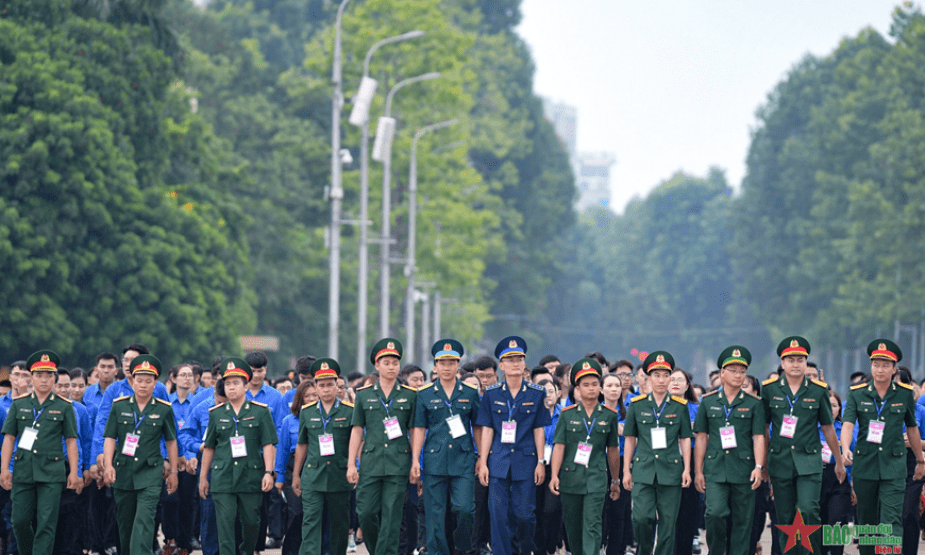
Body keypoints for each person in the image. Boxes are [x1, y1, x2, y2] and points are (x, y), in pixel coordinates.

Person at [763, 336, 845, 555]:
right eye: (790, 360)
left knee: (808, 511)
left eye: (800, 359)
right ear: (782, 363)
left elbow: (828, 427)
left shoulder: (818, 391)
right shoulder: (769, 390)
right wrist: (763, 463)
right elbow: (763, 428)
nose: (795, 364)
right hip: (780, 461)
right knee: (786, 518)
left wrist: (838, 460)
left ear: (806, 362)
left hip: (809, 462)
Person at [841, 339, 924, 555]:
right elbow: (848, 423)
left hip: (894, 466)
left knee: (892, 519)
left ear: (894, 369)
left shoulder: (904, 394)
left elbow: (912, 428)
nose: (880, 369)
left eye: (886, 365)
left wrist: (920, 460)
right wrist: (844, 448)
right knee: (867, 523)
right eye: (876, 364)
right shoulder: (857, 393)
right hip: (865, 466)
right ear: (871, 366)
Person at [0, 350, 81, 555]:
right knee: (19, 521)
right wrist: (4, 469)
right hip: (23, 471)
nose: (44, 380)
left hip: (51, 473)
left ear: (54, 378)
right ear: (31, 378)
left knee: (47, 523)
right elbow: (9, 438)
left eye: (48, 375)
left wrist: (74, 472)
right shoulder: (19, 404)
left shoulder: (64, 407)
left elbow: (71, 441)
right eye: (39, 375)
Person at [475, 336, 550, 555]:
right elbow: (487, 428)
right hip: (498, 458)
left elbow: (539, 429)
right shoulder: (492, 393)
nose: (516, 363)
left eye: (519, 359)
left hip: (526, 460)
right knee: (498, 514)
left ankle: (525, 550)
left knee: (525, 515)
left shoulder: (537, 393)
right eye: (510, 359)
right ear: (502, 365)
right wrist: (483, 460)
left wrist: (540, 461)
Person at [199, 357, 278, 555]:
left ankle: (247, 551)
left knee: (252, 522)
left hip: (250, 476)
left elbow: (268, 443)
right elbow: (209, 447)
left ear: (245, 386)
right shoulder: (216, 414)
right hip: (222, 477)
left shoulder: (260, 412)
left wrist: (269, 472)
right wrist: (203, 477)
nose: (231, 388)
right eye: (227, 384)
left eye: (236, 383)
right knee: (224, 525)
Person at [102, 354, 179, 555]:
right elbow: (110, 437)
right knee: (125, 526)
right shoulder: (119, 406)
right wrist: (108, 465)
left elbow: (171, 441)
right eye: (139, 380)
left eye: (148, 381)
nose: (143, 385)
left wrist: (174, 472)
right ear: (132, 381)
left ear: (156, 383)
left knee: (144, 521)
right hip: (123, 472)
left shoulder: (163, 409)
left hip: (151, 473)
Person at [411, 339, 482, 555]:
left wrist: (481, 456)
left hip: (464, 460)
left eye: (452, 362)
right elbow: (419, 429)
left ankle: (462, 550)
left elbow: (478, 426)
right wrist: (416, 460)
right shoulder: (424, 394)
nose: (447, 367)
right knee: (435, 515)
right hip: (434, 461)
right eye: (442, 363)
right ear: (435, 366)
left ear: (458, 365)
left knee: (464, 510)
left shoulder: (470, 393)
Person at [693, 346, 765, 555]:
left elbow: (759, 437)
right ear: (721, 373)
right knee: (715, 514)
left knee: (743, 520)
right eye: (733, 370)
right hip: (715, 469)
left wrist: (759, 466)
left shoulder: (754, 404)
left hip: (744, 469)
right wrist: (698, 471)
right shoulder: (708, 402)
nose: (738, 375)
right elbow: (701, 437)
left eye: (742, 371)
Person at [348, 338, 417, 555]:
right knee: (366, 513)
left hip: (398, 463)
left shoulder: (410, 395)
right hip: (371, 462)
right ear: (376, 366)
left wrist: (415, 461)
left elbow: (414, 430)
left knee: (392, 516)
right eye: (386, 362)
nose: (391, 367)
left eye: (395, 363)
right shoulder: (364, 395)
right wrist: (351, 463)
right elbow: (357, 430)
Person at [622, 351, 692, 555]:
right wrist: (626, 470)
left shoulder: (680, 407)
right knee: (642, 518)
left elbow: (685, 438)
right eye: (656, 375)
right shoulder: (637, 405)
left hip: (670, 470)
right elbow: (629, 439)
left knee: (668, 523)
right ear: (648, 378)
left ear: (670, 378)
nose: (661, 380)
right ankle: (644, 550)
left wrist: (687, 469)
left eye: (665, 375)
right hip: (643, 469)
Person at [549, 358, 620, 555]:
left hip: (596, 477)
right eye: (586, 385)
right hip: (570, 477)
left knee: (593, 522)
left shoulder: (609, 415)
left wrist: (615, 480)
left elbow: (613, 450)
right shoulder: (567, 414)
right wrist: (554, 475)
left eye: (595, 384)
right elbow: (559, 447)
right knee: (573, 526)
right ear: (577, 389)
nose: (591, 389)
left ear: (601, 388)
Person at [292, 358, 354, 555]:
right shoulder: (307, 412)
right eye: (322, 385)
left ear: (337, 386)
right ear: (315, 387)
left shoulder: (349, 411)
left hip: (339, 475)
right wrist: (296, 475)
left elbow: (357, 441)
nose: (326, 389)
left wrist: (355, 468)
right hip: (313, 476)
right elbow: (302, 444)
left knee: (339, 525)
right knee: (310, 522)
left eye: (330, 384)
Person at [275, 379, 316, 555]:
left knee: (314, 515)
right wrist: (280, 477)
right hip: (294, 470)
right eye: (307, 396)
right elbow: (283, 450)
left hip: (317, 467)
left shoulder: (323, 419)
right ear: (300, 399)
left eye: (315, 395)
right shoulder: (289, 421)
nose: (312, 398)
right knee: (296, 513)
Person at [164, 362, 198, 555]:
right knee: (169, 500)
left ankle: (184, 543)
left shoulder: (197, 403)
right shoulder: (166, 402)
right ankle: (170, 539)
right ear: (173, 378)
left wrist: (191, 457)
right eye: (183, 374)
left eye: (190, 375)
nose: (187, 378)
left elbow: (196, 433)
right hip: (171, 461)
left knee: (187, 503)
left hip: (190, 462)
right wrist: (172, 458)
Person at [669, 368, 700, 555]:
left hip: (692, 459)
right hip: (667, 459)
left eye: (680, 380)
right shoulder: (660, 407)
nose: (675, 383)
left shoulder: (697, 408)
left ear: (687, 385)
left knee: (688, 511)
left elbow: (702, 432)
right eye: (671, 379)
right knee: (668, 512)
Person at [819, 389, 853, 555]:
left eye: (834, 405)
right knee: (819, 522)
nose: (830, 408)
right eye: (827, 405)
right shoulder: (812, 428)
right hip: (816, 477)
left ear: (839, 408)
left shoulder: (845, 430)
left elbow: (853, 458)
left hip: (839, 478)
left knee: (837, 519)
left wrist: (853, 484)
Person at [601, 372, 629, 555]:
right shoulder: (595, 412)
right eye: (609, 385)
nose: (613, 389)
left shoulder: (630, 411)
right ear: (601, 389)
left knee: (620, 513)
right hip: (599, 463)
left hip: (623, 461)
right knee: (601, 510)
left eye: (616, 386)